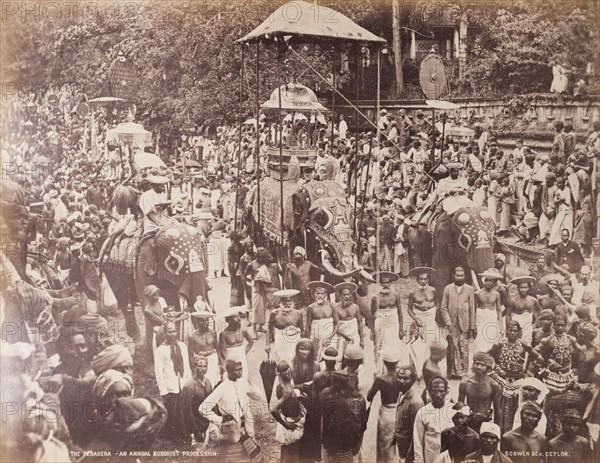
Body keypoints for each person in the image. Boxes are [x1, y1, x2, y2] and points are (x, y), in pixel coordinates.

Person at [199, 357, 258, 461]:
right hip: (231, 431)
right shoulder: (222, 388)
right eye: (237, 370)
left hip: (245, 427)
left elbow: (259, 397)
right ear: (229, 371)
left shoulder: (242, 383)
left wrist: (251, 382)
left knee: (250, 455)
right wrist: (219, 420)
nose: (240, 372)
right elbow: (203, 408)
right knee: (233, 456)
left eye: (241, 369)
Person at [488, 321, 539, 434]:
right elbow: (488, 356)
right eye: (510, 330)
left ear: (519, 332)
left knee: (517, 410)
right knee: (499, 409)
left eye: (515, 331)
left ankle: (515, 434)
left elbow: (538, 358)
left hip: (518, 382)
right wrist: (495, 368)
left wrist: (529, 373)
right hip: (502, 381)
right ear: (506, 331)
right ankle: (498, 434)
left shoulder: (524, 345)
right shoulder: (499, 344)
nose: (512, 333)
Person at [154, 321, 192, 442]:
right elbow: (158, 372)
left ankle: (185, 431)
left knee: (184, 409)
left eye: (174, 331)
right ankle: (172, 434)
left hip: (183, 383)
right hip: (170, 386)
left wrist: (189, 382)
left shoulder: (182, 346)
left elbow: (186, 365)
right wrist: (163, 391)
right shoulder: (160, 350)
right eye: (169, 331)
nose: (172, 334)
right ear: (165, 333)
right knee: (172, 411)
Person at [320, 370, 368, 463]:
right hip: (339, 448)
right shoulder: (343, 404)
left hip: (326, 443)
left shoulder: (324, 392)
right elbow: (334, 426)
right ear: (342, 386)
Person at [440, 266, 476, 379]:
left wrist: (472, 327)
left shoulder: (469, 289)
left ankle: (463, 372)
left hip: (464, 323)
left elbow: (472, 309)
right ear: (453, 276)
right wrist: (448, 323)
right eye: (457, 275)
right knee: (452, 348)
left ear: (464, 276)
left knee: (464, 348)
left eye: (461, 275)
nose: (459, 278)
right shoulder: (448, 288)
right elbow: (443, 308)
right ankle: (453, 372)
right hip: (452, 324)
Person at [367, 350, 401, 462]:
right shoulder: (401, 377)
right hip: (398, 410)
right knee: (396, 443)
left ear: (385, 363)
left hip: (386, 412)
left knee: (383, 443)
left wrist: (375, 378)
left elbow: (369, 397)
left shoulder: (381, 379)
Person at [413, 376, 457, 463]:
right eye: (434, 391)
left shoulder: (454, 411)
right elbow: (418, 442)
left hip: (450, 458)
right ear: (429, 391)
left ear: (446, 391)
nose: (438, 395)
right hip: (431, 457)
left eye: (441, 391)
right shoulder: (422, 412)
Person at [290, 339, 321, 462]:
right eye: (301, 348)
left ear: (312, 351)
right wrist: (299, 387)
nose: (304, 352)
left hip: (313, 404)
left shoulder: (316, 365)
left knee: (312, 432)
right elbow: (284, 388)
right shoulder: (291, 366)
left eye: (307, 349)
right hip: (297, 403)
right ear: (297, 350)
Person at [406, 267, 438, 378]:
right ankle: (415, 371)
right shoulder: (412, 292)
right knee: (416, 345)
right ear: (417, 280)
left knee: (430, 345)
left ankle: (428, 370)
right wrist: (417, 319)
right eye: (421, 279)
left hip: (430, 319)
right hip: (418, 318)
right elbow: (409, 310)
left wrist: (432, 314)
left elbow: (436, 304)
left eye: (425, 279)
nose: (423, 281)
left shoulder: (433, 290)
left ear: (428, 279)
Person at [271, 361, 306, 462]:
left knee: (287, 449)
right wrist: (286, 424)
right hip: (291, 424)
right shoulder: (288, 391)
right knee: (292, 452)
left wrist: (297, 397)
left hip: (288, 418)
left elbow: (287, 401)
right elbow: (274, 410)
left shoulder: (281, 386)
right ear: (289, 373)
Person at [458, 352, 501, 432]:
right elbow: (460, 407)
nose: (478, 367)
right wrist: (460, 427)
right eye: (477, 364)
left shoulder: (493, 385)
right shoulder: (465, 383)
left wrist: (496, 429)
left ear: (488, 368)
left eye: (482, 365)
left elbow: (497, 410)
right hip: (469, 421)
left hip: (486, 421)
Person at [371, 271, 404, 374]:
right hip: (380, 323)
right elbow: (371, 315)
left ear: (391, 283)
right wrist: (372, 331)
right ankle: (379, 371)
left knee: (393, 346)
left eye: (387, 283)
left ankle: (394, 370)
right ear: (380, 284)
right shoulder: (375, 297)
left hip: (393, 323)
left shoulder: (395, 295)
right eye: (383, 283)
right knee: (378, 347)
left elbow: (400, 313)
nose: (385, 285)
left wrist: (401, 329)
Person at [179, 354, 213, 446]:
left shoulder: (207, 381)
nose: (202, 369)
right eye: (199, 366)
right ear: (194, 367)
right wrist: (195, 432)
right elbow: (187, 413)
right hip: (196, 425)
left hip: (207, 421)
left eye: (205, 366)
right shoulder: (189, 387)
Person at [219, 306, 254, 387]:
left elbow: (251, 341)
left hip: (241, 356)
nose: (238, 319)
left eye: (238, 316)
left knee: (243, 375)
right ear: (229, 320)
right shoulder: (224, 334)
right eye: (235, 317)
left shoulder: (243, 330)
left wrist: (245, 352)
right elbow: (222, 351)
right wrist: (227, 361)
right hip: (230, 356)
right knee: (231, 378)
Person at [267, 289, 304, 367]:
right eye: (284, 302)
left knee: (294, 364)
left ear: (293, 302)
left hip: (294, 343)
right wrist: (267, 344)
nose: (287, 304)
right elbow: (269, 330)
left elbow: (302, 330)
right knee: (281, 365)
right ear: (280, 303)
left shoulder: (298, 313)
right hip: (281, 344)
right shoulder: (274, 313)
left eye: (289, 301)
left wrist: (304, 343)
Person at [394, 365, 423, 463]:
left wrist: (409, 458)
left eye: (405, 378)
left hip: (407, 454)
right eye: (399, 377)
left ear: (413, 380)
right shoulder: (401, 393)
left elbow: (416, 435)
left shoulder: (415, 403)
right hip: (400, 449)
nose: (401, 381)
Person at [187, 312, 222, 388]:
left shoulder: (213, 333)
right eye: (202, 321)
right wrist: (193, 370)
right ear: (197, 322)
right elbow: (190, 356)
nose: (205, 323)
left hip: (213, 361)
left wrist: (221, 363)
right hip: (201, 363)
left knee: (215, 382)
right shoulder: (193, 336)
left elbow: (218, 349)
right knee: (204, 384)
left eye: (207, 320)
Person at [306, 281, 338, 362]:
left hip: (330, 339)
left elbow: (337, 323)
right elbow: (308, 326)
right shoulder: (311, 307)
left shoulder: (331, 306)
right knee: (316, 360)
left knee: (331, 360)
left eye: (322, 293)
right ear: (314, 294)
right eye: (317, 293)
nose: (319, 296)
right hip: (316, 339)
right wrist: (308, 341)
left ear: (326, 294)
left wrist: (330, 338)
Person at [332, 282, 364, 362]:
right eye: (344, 295)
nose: (346, 297)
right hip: (341, 337)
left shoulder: (355, 307)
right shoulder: (336, 308)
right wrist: (345, 336)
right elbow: (334, 325)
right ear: (340, 296)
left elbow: (359, 323)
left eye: (348, 294)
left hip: (354, 337)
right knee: (340, 358)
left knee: (354, 358)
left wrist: (362, 339)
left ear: (351, 295)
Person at [474, 269, 504, 352]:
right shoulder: (477, 293)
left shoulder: (497, 294)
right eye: (486, 280)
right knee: (480, 340)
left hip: (491, 317)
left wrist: (501, 325)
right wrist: (473, 324)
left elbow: (499, 310)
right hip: (480, 317)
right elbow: (473, 310)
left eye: (490, 281)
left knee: (491, 339)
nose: (488, 283)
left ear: (494, 282)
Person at [506, 276, 540, 345]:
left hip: (528, 324)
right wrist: (509, 326)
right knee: (515, 342)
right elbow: (508, 314)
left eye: (525, 287)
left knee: (527, 343)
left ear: (529, 288)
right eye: (521, 288)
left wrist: (535, 324)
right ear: (518, 289)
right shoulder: (513, 300)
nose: (523, 290)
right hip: (516, 324)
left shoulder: (533, 300)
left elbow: (540, 311)